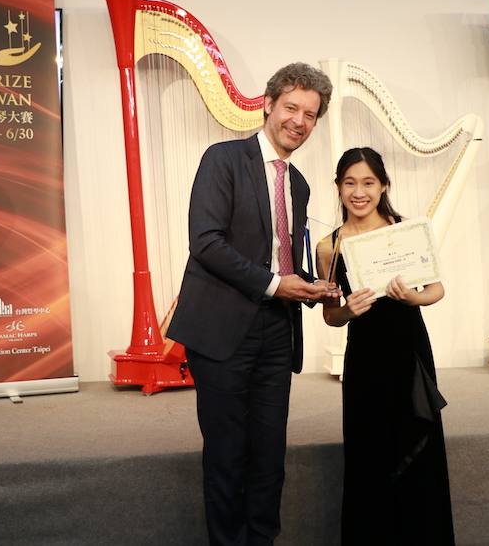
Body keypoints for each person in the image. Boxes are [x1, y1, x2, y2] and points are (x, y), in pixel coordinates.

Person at [166, 62, 339, 546]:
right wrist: (275, 285)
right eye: (291, 108)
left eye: (310, 114)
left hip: (277, 332)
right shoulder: (223, 159)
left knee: (269, 457)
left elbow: (284, 257)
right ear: (267, 105)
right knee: (227, 456)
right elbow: (206, 242)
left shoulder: (298, 183)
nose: (299, 121)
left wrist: (315, 285)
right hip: (222, 330)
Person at [316, 147, 455, 545]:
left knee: (417, 445)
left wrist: (413, 298)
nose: (359, 192)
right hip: (365, 357)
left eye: (368, 182)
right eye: (350, 183)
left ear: (383, 186)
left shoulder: (406, 230)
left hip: (409, 350)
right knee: (369, 452)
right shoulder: (330, 246)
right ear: (339, 187)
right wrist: (349, 310)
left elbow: (436, 289)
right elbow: (330, 316)